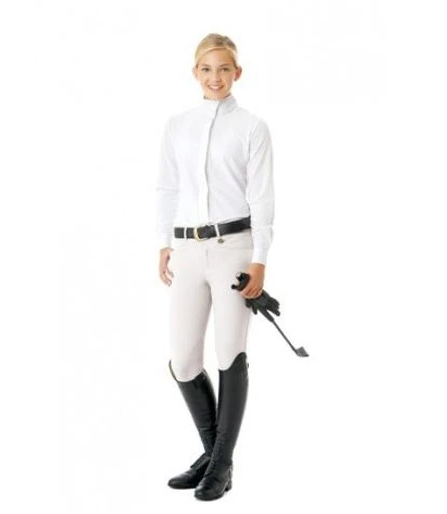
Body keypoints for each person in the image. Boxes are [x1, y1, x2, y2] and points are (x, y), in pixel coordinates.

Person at [155, 33, 275, 501]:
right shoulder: (177, 126)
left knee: (229, 354)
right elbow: (167, 188)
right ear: (195, 72)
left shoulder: (252, 128)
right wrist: (163, 243)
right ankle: (215, 456)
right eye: (207, 69)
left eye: (224, 68)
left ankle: (219, 467)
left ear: (237, 72)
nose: (216, 77)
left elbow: (262, 199)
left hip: (234, 249)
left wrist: (260, 260)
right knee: (184, 361)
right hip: (186, 251)